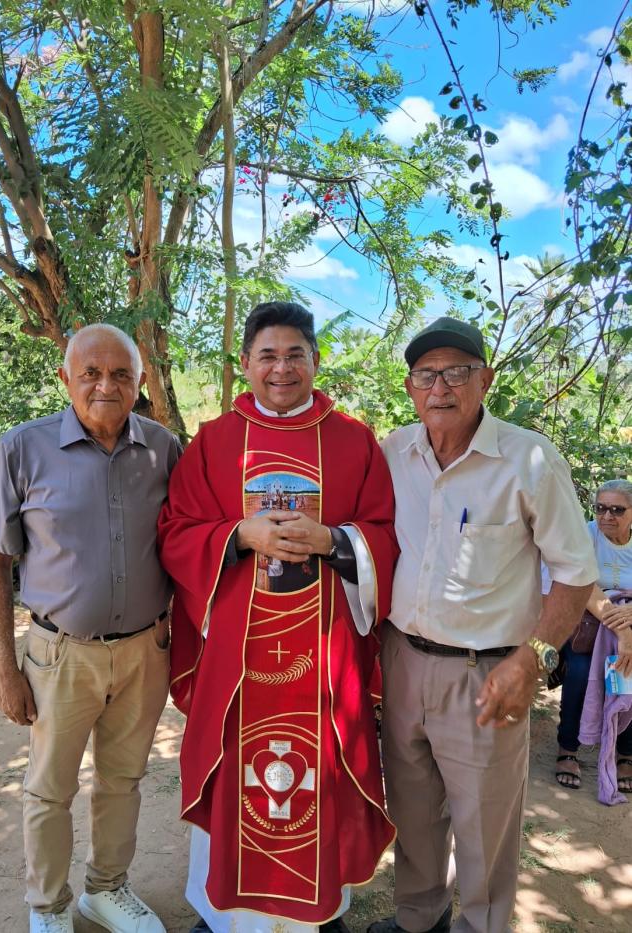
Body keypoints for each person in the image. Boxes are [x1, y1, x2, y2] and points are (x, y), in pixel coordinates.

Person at [158, 301, 398, 933]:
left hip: (324, 655)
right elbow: (177, 531)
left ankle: (318, 910)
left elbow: (387, 534)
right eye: (268, 355)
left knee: (319, 772)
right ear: (245, 363)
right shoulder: (214, 441)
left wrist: (335, 541)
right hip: (239, 656)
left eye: (296, 355)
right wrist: (239, 534)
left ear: (316, 361)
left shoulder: (353, 441)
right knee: (239, 773)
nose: (282, 368)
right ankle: (224, 913)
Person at [373, 316, 598, 933]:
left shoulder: (528, 458)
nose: (440, 386)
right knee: (413, 812)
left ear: (485, 380)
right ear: (411, 386)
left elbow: (576, 573)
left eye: (457, 372)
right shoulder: (392, 452)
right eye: (426, 374)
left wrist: (534, 656)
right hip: (402, 660)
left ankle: (483, 926)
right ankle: (419, 919)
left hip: (489, 672)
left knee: (485, 829)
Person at [0, 324, 181, 933]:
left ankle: (106, 890)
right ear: (66, 379)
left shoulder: (163, 448)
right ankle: (50, 906)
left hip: (146, 650)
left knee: (123, 781)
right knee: (50, 789)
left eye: (121, 374)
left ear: (140, 382)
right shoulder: (23, 447)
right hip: (59, 655)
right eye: (90, 373)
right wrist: (5, 669)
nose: (105, 386)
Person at [554, 479, 632, 793]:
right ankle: (567, 748)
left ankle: (625, 753)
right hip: (588, 623)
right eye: (600, 508)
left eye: (617, 509)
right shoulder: (586, 535)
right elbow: (583, 583)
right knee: (581, 672)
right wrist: (622, 628)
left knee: (629, 674)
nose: (607, 516)